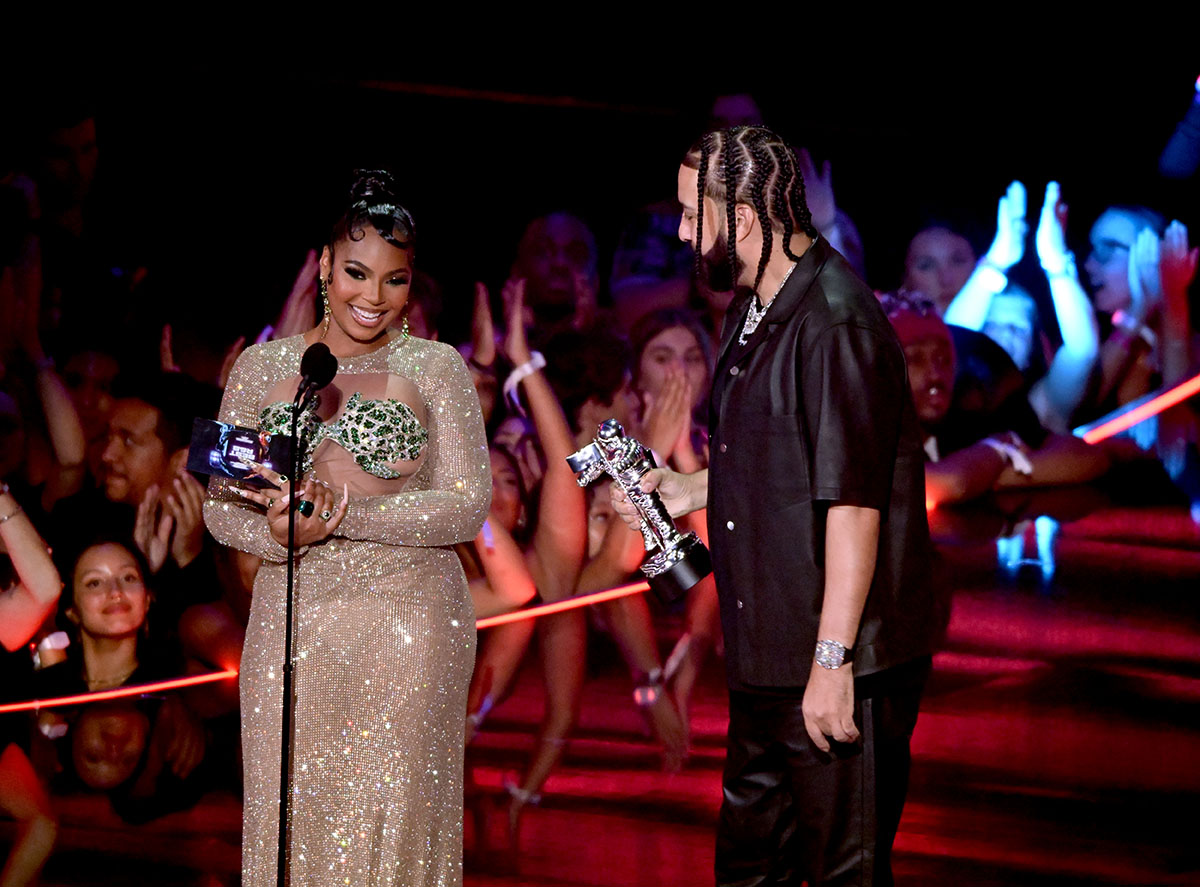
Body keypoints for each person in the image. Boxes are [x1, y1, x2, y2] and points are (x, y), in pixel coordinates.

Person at [613, 126, 949, 886]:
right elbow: (775, 457)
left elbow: (855, 504)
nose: (682, 231)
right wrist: (689, 488)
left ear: (746, 213)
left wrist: (832, 663)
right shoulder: (753, 305)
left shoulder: (835, 321)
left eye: (693, 214)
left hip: (839, 660)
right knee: (749, 866)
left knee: (842, 872)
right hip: (767, 656)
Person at [202, 170, 491, 886]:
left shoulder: (438, 367)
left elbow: (466, 501)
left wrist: (341, 515)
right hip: (292, 616)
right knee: (288, 812)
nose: (372, 296)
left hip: (409, 621)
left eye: (395, 280)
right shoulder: (263, 364)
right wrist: (280, 536)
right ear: (325, 264)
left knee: (394, 820)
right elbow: (218, 501)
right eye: (357, 272)